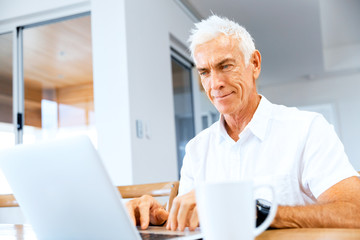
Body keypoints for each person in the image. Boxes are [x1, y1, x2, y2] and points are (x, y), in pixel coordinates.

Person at [126, 15, 360, 231]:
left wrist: (256, 211)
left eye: (225, 66)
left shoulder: (307, 129)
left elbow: (355, 212)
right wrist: (160, 217)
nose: (215, 83)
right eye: (205, 72)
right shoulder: (197, 149)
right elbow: (189, 221)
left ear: (255, 64)